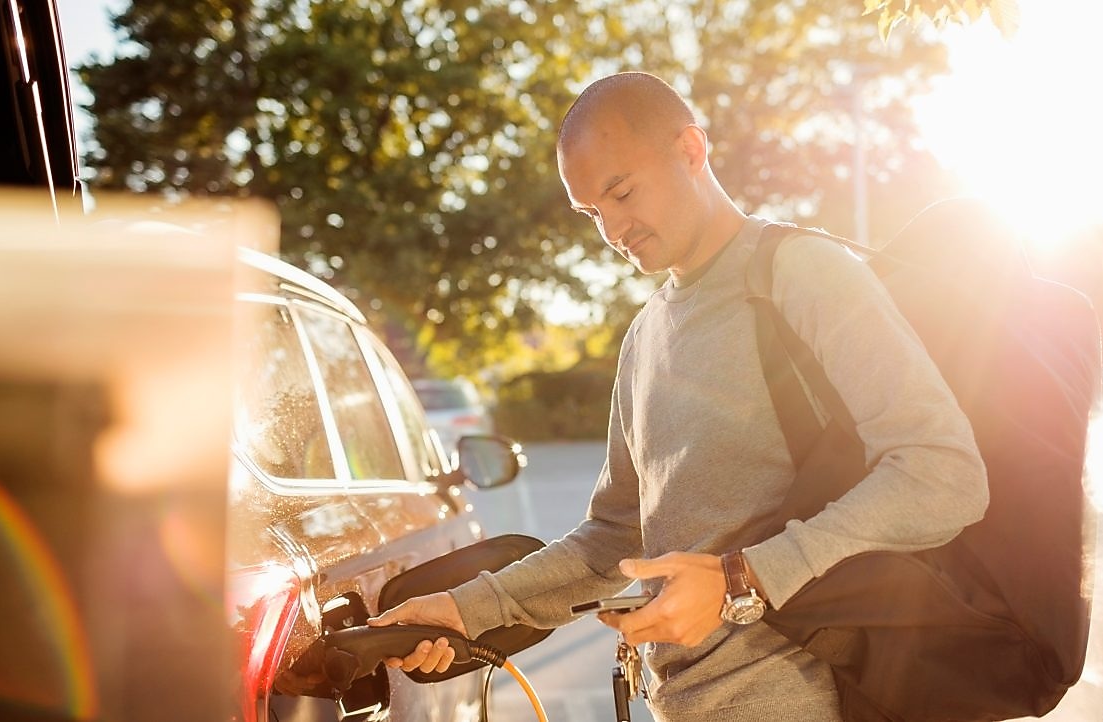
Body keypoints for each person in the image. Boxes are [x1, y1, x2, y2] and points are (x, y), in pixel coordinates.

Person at [369, 71, 988, 721]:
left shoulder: (802, 274)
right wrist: (464, 610)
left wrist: (740, 580)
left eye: (622, 191)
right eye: (592, 213)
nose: (612, 230)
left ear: (691, 151)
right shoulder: (644, 338)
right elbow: (611, 542)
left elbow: (943, 472)